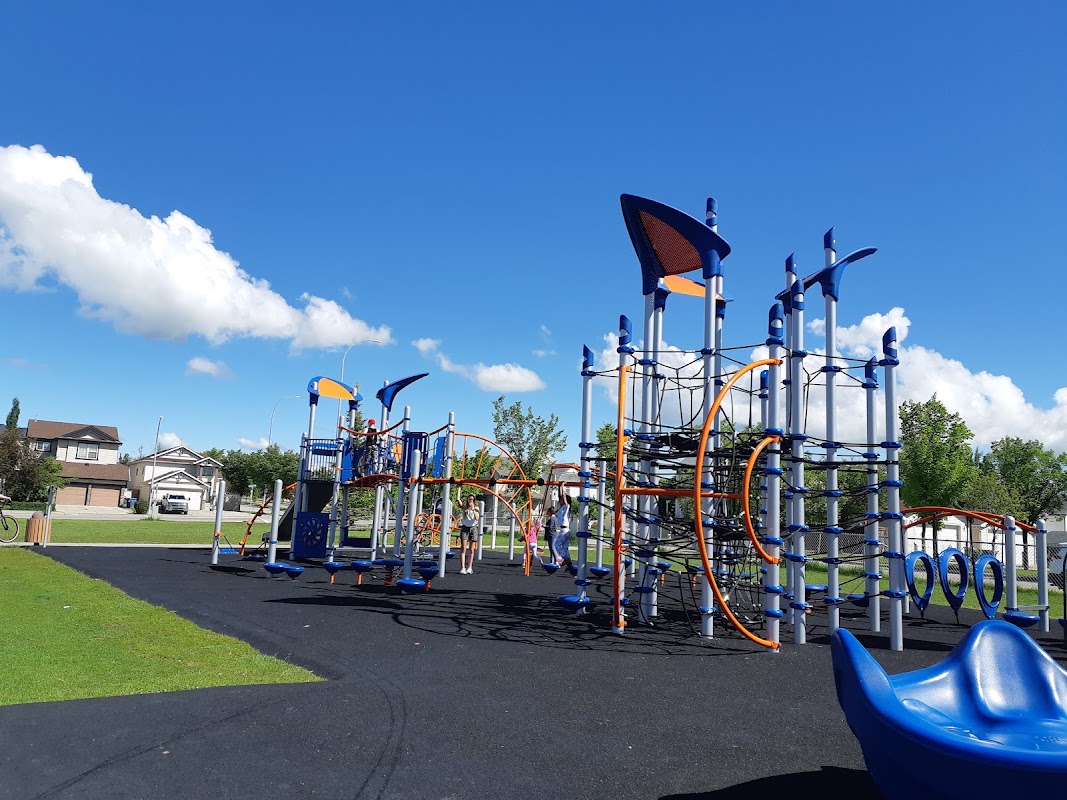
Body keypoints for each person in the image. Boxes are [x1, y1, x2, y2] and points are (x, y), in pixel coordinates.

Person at [457, 495, 480, 574]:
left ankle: (469, 567)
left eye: (473, 500)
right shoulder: (465, 508)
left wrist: (473, 510)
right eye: (470, 499)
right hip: (465, 528)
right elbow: (458, 500)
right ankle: (463, 567)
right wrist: (459, 488)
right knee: (463, 548)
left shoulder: (476, 508)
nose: (471, 501)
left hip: (473, 528)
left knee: (471, 549)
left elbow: (477, 518)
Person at [554, 494, 572, 568]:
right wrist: (559, 485)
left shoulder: (566, 506)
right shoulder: (561, 508)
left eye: (561, 500)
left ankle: (566, 559)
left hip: (564, 529)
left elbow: (564, 497)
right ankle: (569, 562)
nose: (559, 501)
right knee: (565, 547)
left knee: (556, 545)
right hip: (566, 529)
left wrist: (563, 485)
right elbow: (560, 495)